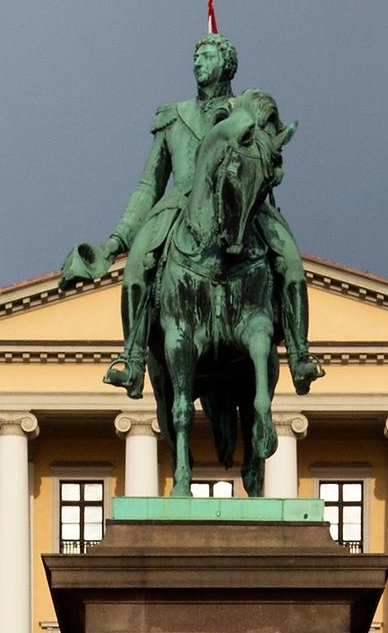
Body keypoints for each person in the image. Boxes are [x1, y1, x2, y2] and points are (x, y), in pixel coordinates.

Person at [61, 33, 319, 397]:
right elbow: (149, 186)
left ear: (227, 64)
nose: (199, 63)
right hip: (180, 203)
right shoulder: (173, 117)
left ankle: (299, 355)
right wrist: (117, 239)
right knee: (136, 267)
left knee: (290, 260)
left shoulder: (250, 113)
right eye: (197, 57)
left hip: (243, 204)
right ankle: (132, 360)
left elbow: (272, 160)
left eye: (208, 56)